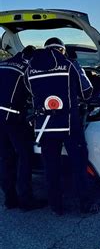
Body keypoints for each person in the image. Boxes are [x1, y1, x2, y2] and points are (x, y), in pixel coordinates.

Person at [25, 37, 100, 216]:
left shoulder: (30, 67)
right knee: (78, 165)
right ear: (62, 50)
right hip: (69, 125)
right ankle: (86, 205)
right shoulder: (70, 64)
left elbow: (30, 92)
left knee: (51, 168)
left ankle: (56, 207)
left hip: (44, 126)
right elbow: (87, 91)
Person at [0, 46, 47, 211]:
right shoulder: (27, 69)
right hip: (13, 118)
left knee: (5, 158)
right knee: (24, 157)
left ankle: (10, 199)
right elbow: (37, 94)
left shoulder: (3, 64)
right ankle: (26, 200)